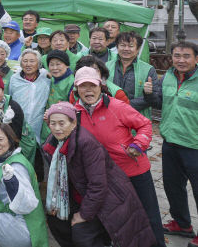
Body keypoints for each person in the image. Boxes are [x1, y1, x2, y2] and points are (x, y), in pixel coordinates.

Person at [71, 67, 165, 247]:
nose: (88, 90)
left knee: (147, 214)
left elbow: (145, 124)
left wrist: (139, 144)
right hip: (105, 176)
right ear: (76, 89)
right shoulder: (75, 113)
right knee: (119, 219)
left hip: (132, 170)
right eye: (83, 86)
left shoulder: (116, 106)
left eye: (92, 85)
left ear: (101, 86)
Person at [42, 102, 156, 247]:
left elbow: (98, 186)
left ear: (73, 123)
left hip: (106, 200)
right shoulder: (55, 142)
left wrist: (83, 215)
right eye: (53, 123)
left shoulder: (86, 143)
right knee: (56, 223)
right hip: (77, 196)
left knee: (82, 235)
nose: (57, 128)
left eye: (62, 123)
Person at [155, 41, 198, 243]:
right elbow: (160, 101)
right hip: (170, 142)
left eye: (186, 56)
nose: (181, 60)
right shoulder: (168, 77)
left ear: (196, 59)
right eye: (177, 56)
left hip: (195, 146)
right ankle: (183, 224)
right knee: (172, 186)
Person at [107, 31, 160, 118]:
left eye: (131, 46)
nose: (126, 49)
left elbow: (153, 99)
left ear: (138, 49)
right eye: (123, 45)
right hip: (111, 117)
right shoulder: (106, 66)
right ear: (117, 47)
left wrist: (149, 93)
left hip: (137, 119)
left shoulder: (148, 69)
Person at [8, 50, 50, 147]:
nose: (28, 64)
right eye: (25, 61)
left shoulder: (45, 77)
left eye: (32, 61)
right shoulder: (15, 78)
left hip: (39, 122)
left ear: (38, 63)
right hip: (18, 122)